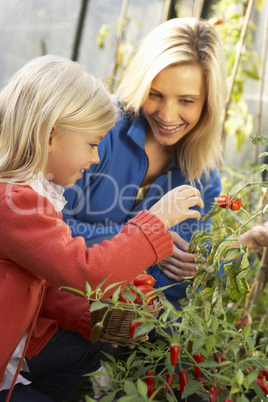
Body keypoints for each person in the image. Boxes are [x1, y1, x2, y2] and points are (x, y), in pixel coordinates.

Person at [0, 55, 204, 402]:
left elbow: (46, 284)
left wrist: (91, 319)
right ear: (51, 135)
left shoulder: (28, 197)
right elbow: (86, 272)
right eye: (92, 144)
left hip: (14, 342)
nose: (95, 158)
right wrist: (155, 222)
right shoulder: (15, 204)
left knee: (84, 350)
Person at [63, 17, 227, 303]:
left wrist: (221, 258)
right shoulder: (100, 131)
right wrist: (149, 243)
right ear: (141, 85)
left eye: (186, 101)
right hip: (58, 305)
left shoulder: (204, 178)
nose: (167, 114)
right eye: (155, 95)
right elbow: (50, 229)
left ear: (208, 105)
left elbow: (179, 287)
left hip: (131, 328)